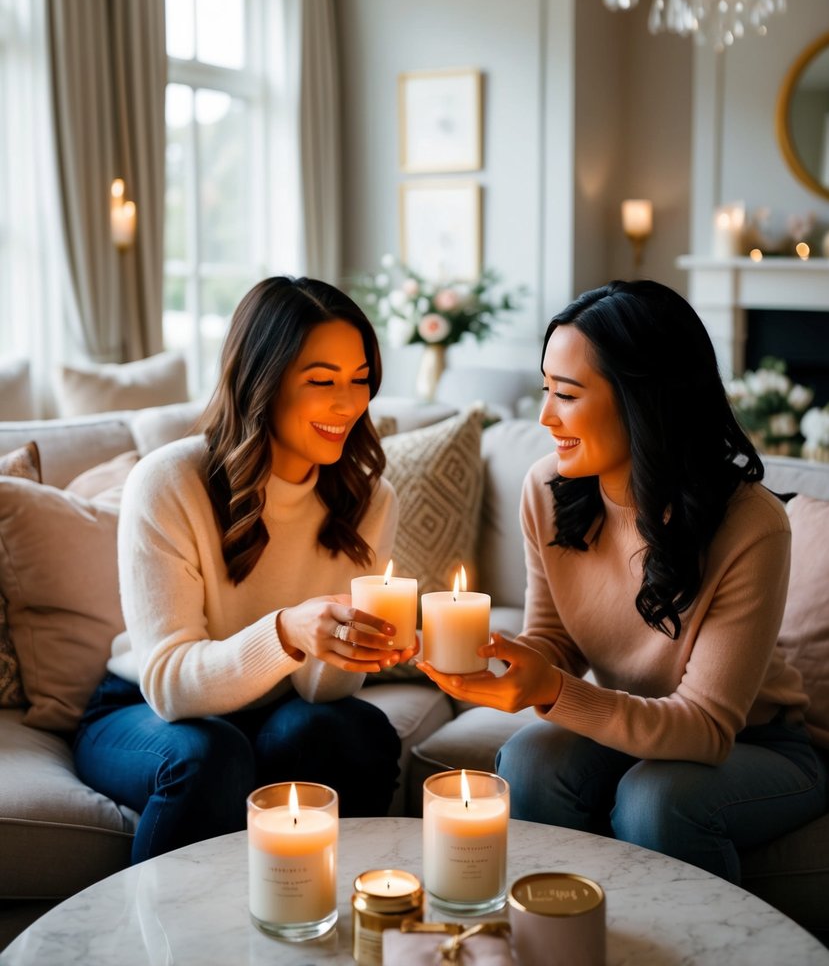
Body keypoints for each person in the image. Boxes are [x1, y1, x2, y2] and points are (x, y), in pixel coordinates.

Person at [418, 279, 827, 882]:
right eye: (545, 390)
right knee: (530, 758)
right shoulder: (546, 488)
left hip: (757, 744)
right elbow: (554, 641)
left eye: (567, 394)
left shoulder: (750, 524)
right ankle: (557, 933)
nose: (544, 416)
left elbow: (708, 728)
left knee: (655, 800)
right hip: (631, 721)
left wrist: (554, 692)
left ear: (643, 401)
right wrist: (493, 658)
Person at [74, 276, 415, 863]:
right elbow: (170, 683)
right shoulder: (167, 483)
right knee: (212, 753)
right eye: (321, 382)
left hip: (276, 708)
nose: (349, 404)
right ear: (264, 380)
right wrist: (287, 632)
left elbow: (321, 693)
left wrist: (347, 647)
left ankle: (332, 921)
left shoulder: (371, 499)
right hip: (143, 707)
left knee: (350, 729)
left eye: (360, 380)